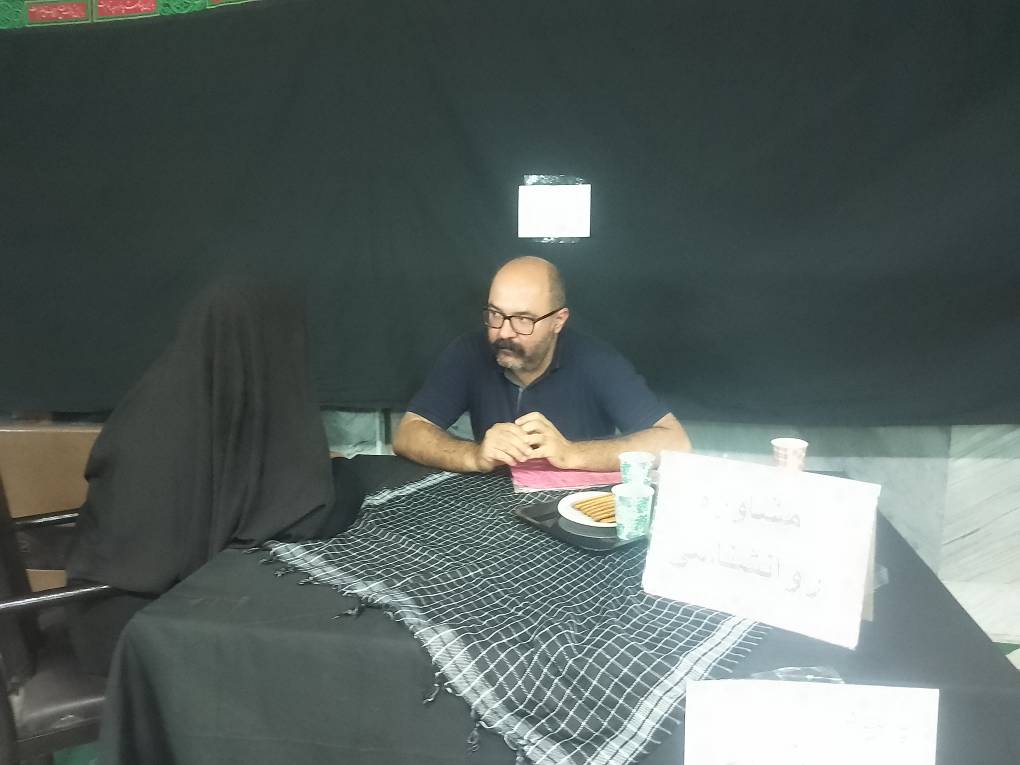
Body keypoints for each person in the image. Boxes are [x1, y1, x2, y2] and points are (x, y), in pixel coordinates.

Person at [393, 256, 691, 472]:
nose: (504, 332)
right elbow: (409, 433)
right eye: (496, 314)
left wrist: (572, 454)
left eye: (523, 319)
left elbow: (675, 442)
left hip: (579, 510)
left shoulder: (598, 362)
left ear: (558, 321)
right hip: (492, 509)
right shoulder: (469, 352)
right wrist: (473, 455)